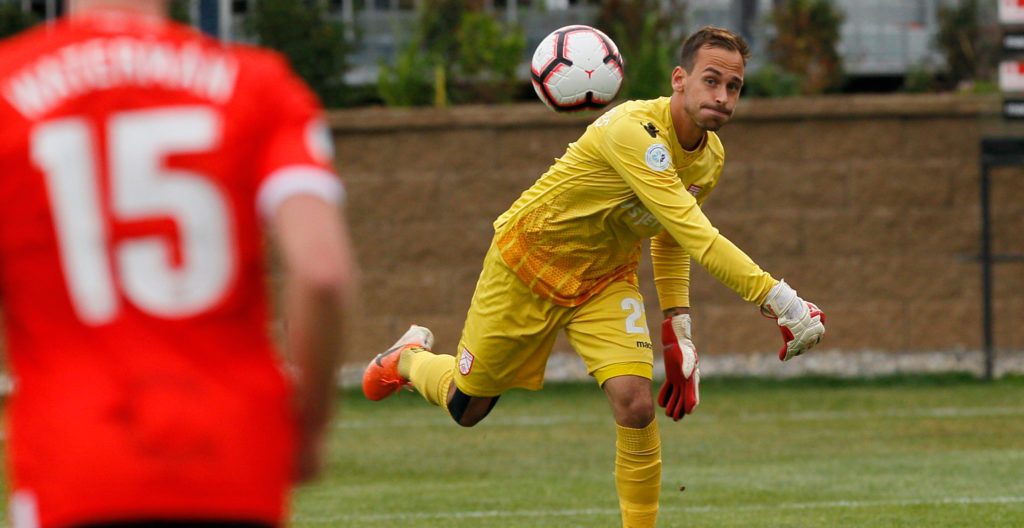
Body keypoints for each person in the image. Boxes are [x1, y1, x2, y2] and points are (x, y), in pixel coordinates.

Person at [363, 26, 824, 527]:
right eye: (711, 81)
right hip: (527, 263)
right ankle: (407, 359)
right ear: (679, 80)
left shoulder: (710, 158)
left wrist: (678, 323)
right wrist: (782, 300)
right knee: (466, 407)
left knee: (635, 404)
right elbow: (697, 234)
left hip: (604, 279)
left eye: (733, 87)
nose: (722, 96)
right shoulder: (632, 129)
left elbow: (670, 235)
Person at [0, 1, 356, 527]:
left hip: (72, 459)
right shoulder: (256, 83)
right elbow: (322, 273)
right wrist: (310, 426)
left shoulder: (9, 86)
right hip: (230, 455)